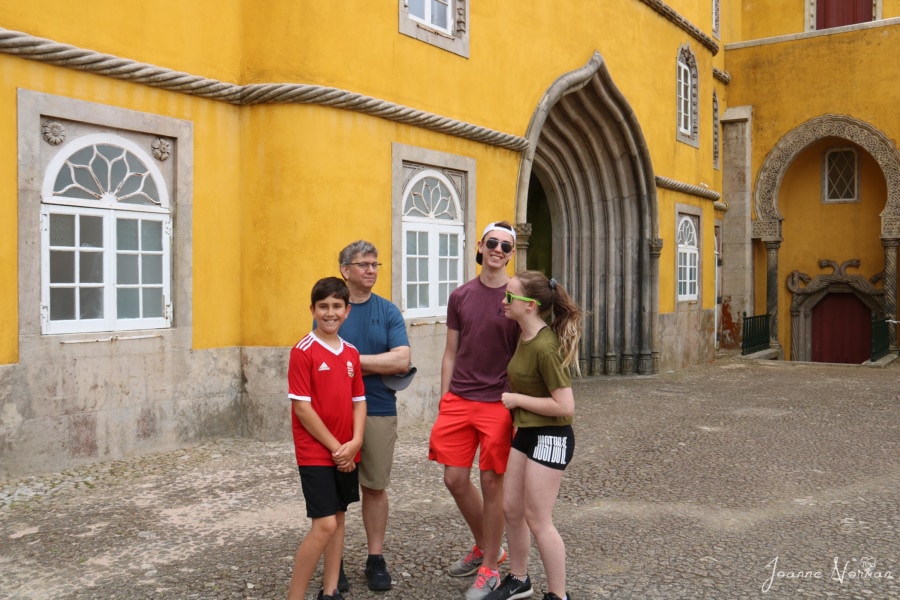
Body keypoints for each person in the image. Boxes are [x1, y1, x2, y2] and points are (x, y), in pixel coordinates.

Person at [428, 221, 520, 600]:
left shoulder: (517, 298)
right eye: (493, 243)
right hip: (460, 399)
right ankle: (487, 545)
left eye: (506, 246)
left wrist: (516, 403)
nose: (498, 250)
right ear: (480, 246)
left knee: (491, 482)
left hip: (497, 402)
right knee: (454, 479)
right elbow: (450, 352)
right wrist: (445, 398)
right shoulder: (461, 295)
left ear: (512, 254)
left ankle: (490, 569)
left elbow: (524, 351)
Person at [485, 270, 584, 600]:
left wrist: (516, 400)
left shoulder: (545, 347)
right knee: (511, 509)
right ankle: (518, 579)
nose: (504, 301)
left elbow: (565, 406)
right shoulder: (523, 335)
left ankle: (558, 594)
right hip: (526, 431)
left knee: (538, 519)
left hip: (553, 436)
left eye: (509, 297)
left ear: (529, 306)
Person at [336, 240, 411, 592]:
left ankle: (375, 558)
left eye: (375, 264)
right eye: (364, 264)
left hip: (379, 408)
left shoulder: (389, 311)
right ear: (345, 270)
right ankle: (334, 563)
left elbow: (400, 360)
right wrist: (371, 364)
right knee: (336, 489)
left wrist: (350, 362)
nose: (371, 270)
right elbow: (321, 354)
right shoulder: (334, 308)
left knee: (375, 487)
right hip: (336, 412)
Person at [286, 277, 367, 600]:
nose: (330, 313)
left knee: (339, 517)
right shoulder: (302, 351)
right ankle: (295, 596)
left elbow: (359, 401)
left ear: (347, 311)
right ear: (313, 310)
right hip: (318, 453)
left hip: (348, 450)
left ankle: (331, 590)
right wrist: (337, 449)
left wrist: (356, 441)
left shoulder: (351, 353)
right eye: (324, 307)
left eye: (337, 307)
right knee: (324, 526)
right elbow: (303, 409)